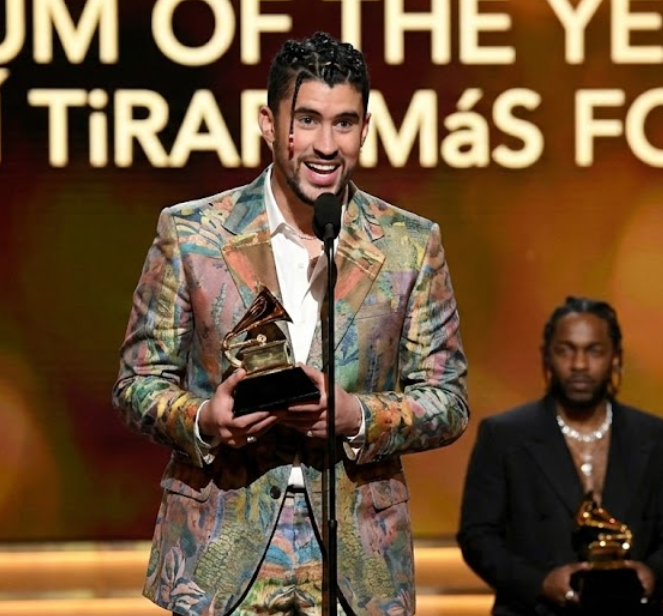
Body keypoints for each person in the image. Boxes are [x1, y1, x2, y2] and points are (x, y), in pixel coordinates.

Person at [112, 31, 469, 616]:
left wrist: (358, 416)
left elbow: (447, 399)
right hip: (220, 549)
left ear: (365, 129)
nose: (326, 145)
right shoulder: (193, 233)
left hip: (358, 557)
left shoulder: (409, 244)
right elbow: (136, 384)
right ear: (269, 124)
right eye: (307, 120)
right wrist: (205, 419)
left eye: (344, 123)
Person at [457, 296, 663, 616]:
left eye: (594, 351)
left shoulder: (655, 436)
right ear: (546, 356)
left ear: (616, 358)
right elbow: (478, 537)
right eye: (566, 350)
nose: (579, 364)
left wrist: (651, 576)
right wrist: (540, 583)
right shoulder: (504, 436)